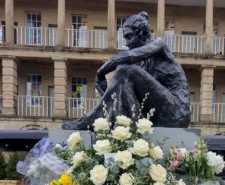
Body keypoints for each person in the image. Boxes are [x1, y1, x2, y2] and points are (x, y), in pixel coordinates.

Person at [62, 11, 190, 130]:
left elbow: (128, 56)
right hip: (156, 115)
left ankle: (89, 121)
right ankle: (125, 126)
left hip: (176, 114)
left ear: (142, 33)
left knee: (126, 69)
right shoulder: (143, 65)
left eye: (129, 37)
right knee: (124, 71)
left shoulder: (158, 44)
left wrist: (101, 71)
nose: (127, 43)